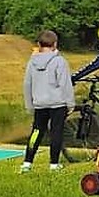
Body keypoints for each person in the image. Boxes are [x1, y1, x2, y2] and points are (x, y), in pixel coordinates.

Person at [21, 30, 75, 173]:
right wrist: (70, 103)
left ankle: (27, 162)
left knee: (36, 132)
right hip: (58, 103)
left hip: (39, 103)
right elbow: (65, 84)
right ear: (55, 44)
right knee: (56, 132)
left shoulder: (31, 62)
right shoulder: (60, 61)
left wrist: (29, 105)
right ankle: (54, 164)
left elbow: (27, 84)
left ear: (38, 44)